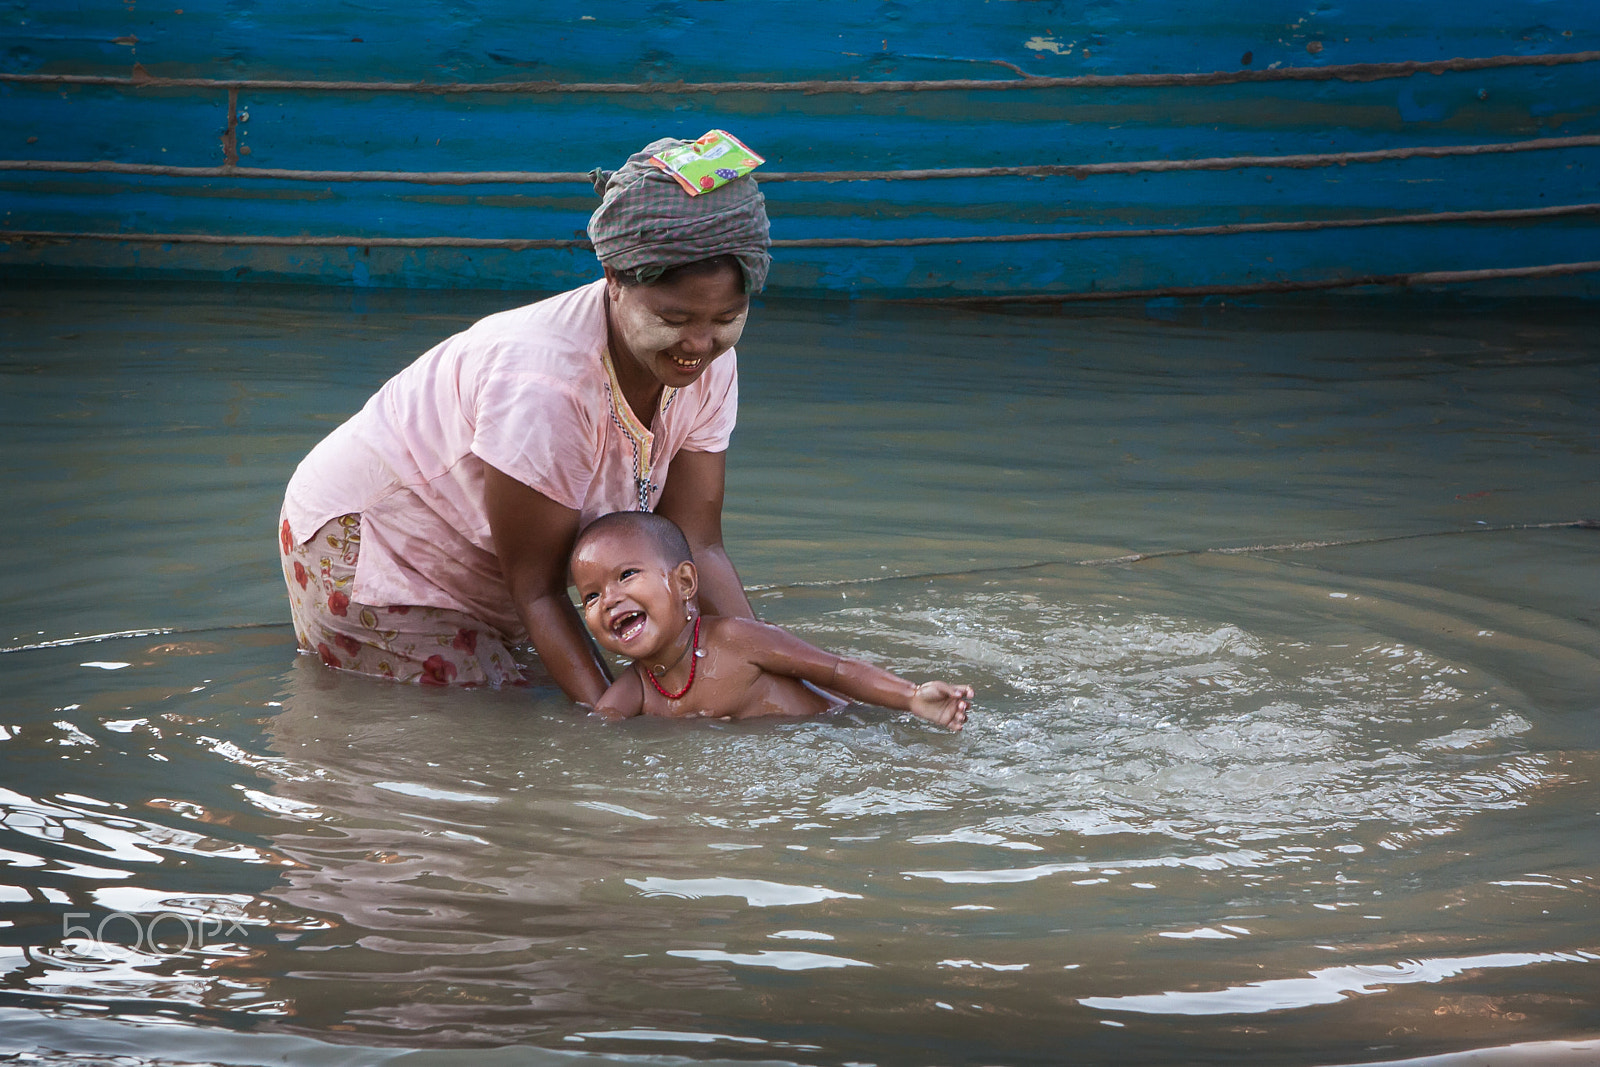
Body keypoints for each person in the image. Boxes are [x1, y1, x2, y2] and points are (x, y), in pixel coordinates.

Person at [277, 134, 770, 701]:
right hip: (369, 547)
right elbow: (536, 590)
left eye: (727, 317)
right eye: (676, 318)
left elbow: (699, 546)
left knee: (546, 682)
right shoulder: (548, 385)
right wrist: (614, 725)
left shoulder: (712, 363)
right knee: (504, 714)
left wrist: (765, 668)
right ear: (613, 281)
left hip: (489, 557)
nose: (699, 345)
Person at [569, 512, 974, 729]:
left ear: (685, 582)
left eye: (626, 576)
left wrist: (910, 697)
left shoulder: (737, 639)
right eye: (590, 596)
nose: (609, 600)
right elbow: (597, 737)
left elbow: (834, 669)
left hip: (845, 731)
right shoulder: (637, 687)